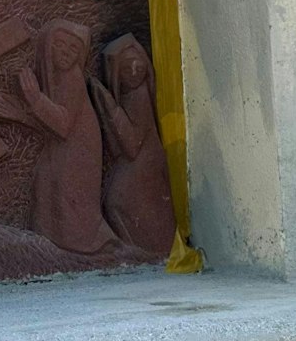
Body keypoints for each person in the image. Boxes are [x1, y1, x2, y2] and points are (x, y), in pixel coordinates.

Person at [9, 20, 116, 253]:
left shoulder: (72, 78)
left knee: (64, 189)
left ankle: (80, 243)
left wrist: (35, 98)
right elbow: (52, 124)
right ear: (47, 47)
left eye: (73, 48)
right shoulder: (56, 78)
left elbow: (62, 125)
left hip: (78, 151)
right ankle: (52, 242)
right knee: (45, 181)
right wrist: (17, 114)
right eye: (60, 44)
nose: (66, 53)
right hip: (63, 146)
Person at [92, 34, 176, 256]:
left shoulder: (139, 96)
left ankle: (142, 250)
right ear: (115, 72)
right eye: (126, 67)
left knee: (115, 201)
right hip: (140, 163)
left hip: (144, 164)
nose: (134, 70)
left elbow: (131, 145)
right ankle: (142, 250)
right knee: (115, 202)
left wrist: (110, 106)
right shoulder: (130, 94)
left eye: (138, 64)